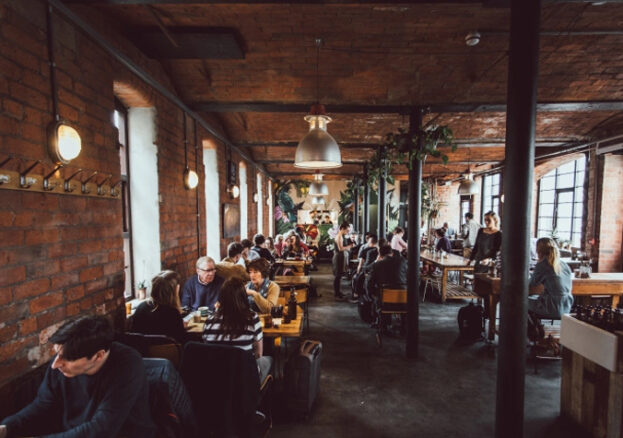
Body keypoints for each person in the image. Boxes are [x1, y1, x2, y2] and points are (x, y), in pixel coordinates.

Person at [0, 316, 156, 438]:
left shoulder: (128, 364)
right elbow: (42, 404)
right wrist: (8, 428)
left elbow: (101, 429)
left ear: (98, 356)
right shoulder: (60, 364)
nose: (55, 364)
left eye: (66, 358)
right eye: (57, 354)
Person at [202, 278, 272, 384]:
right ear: (243, 296)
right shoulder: (252, 318)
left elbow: (207, 349)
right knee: (268, 360)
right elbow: (259, 354)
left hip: (217, 378)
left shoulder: (210, 320)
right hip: (244, 379)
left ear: (221, 297)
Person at [131, 270, 187, 344]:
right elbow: (180, 339)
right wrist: (182, 327)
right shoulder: (173, 313)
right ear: (174, 291)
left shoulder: (141, 307)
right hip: (170, 354)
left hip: (144, 352)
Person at [528, 237, 574, 318]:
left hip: (551, 307)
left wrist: (527, 275)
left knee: (520, 301)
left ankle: (527, 329)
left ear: (538, 251)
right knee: (533, 298)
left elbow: (532, 283)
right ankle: (534, 327)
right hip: (566, 306)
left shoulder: (543, 264)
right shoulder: (564, 264)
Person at [333, 222, 354, 301]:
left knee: (338, 276)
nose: (347, 232)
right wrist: (349, 246)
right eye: (347, 230)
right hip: (338, 257)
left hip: (339, 256)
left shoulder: (341, 236)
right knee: (337, 276)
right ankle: (336, 294)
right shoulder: (339, 237)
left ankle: (338, 292)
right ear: (342, 229)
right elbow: (340, 249)